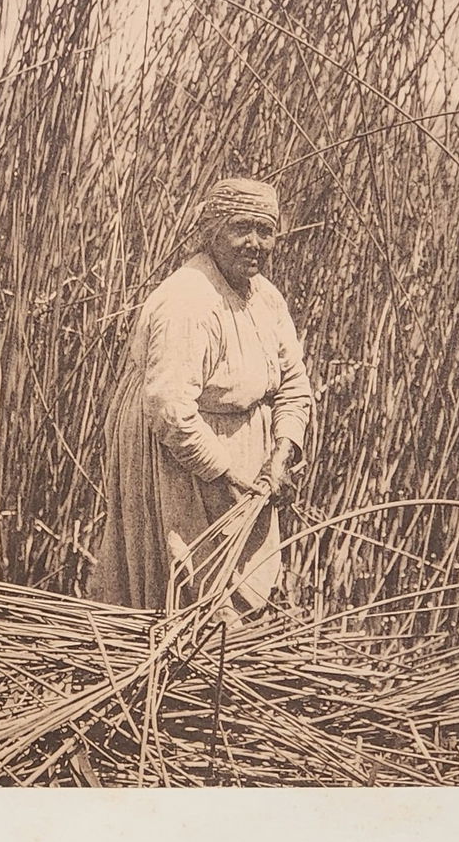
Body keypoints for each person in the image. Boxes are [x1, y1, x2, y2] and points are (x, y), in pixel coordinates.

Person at [92, 177, 314, 614]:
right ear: (211, 231)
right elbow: (169, 409)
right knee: (183, 584)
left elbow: (294, 384)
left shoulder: (267, 299)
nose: (254, 244)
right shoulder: (188, 301)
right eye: (241, 228)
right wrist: (225, 472)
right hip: (177, 458)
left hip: (248, 460)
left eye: (265, 231)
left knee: (238, 589)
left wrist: (281, 455)